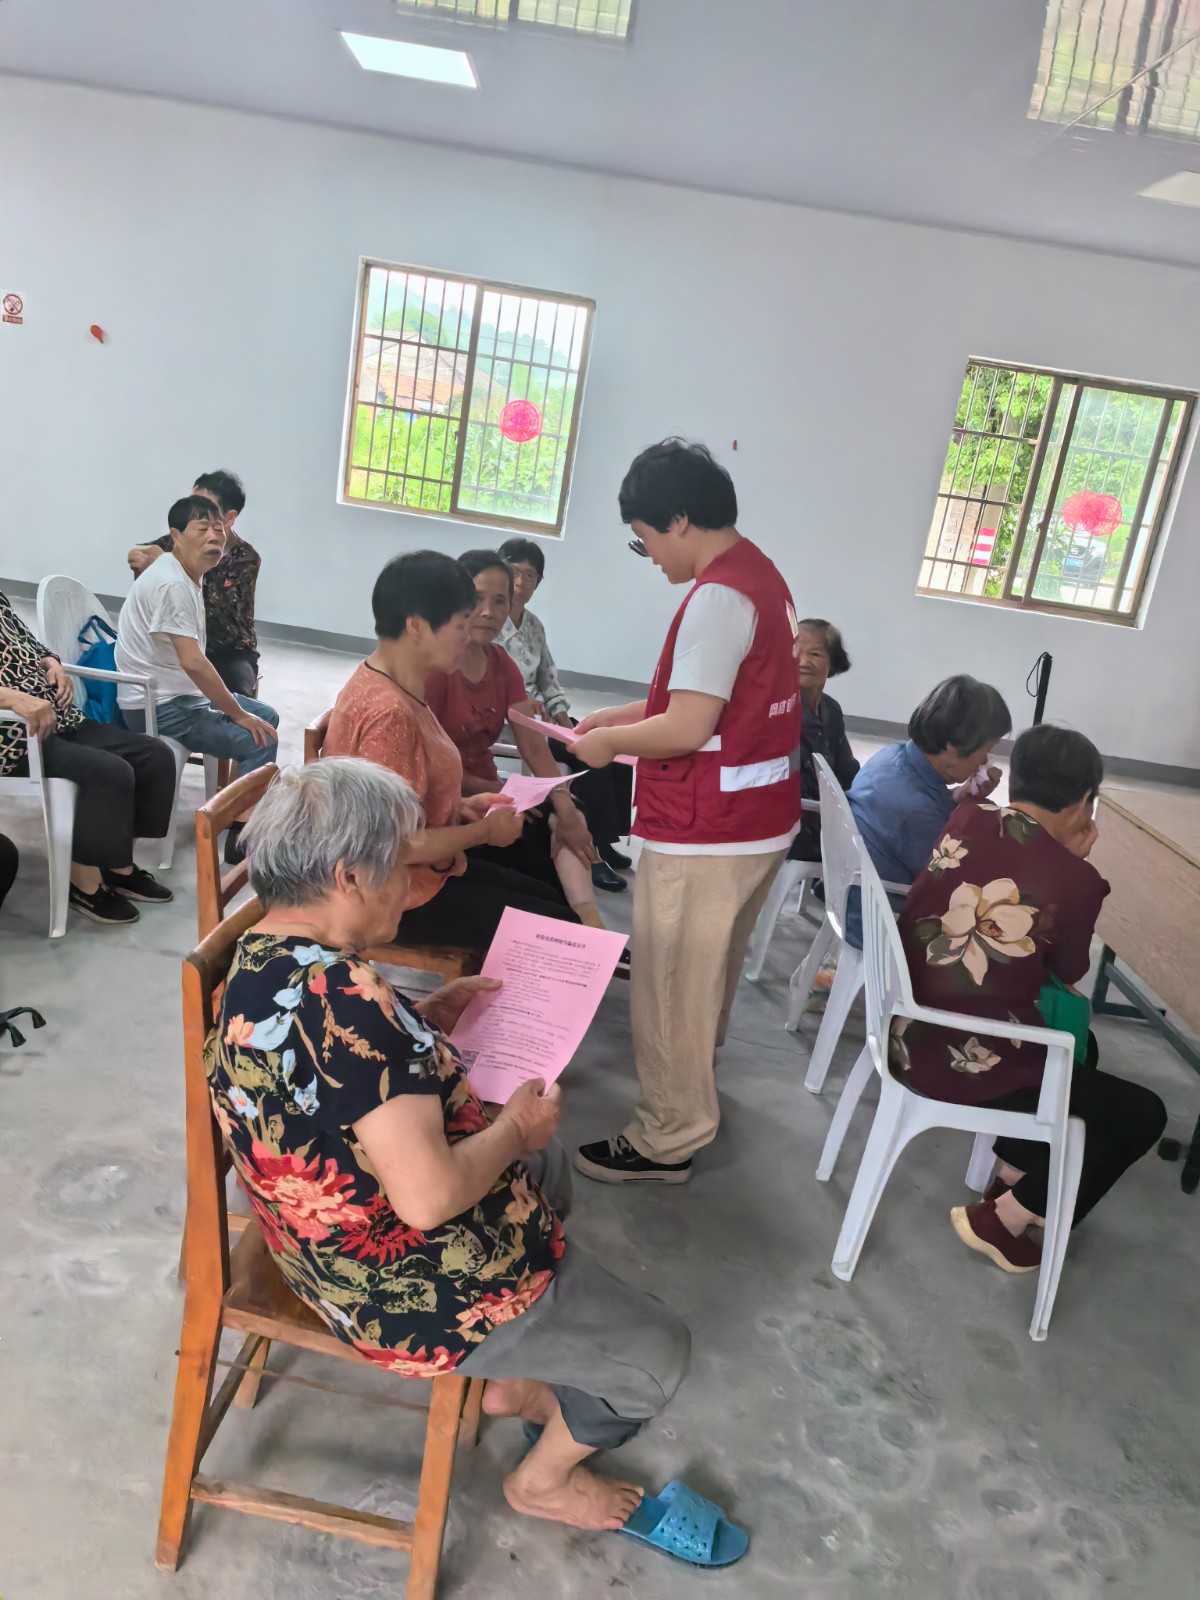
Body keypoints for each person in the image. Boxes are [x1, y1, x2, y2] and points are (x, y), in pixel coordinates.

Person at [209, 758, 693, 1535]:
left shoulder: (263, 957)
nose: (415, 883)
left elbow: (325, 1078)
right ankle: (541, 1482)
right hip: (395, 1293)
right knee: (658, 1352)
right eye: (402, 867)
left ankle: (521, 1372)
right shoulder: (350, 1003)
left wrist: (422, 1019)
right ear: (349, 876)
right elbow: (430, 1199)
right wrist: (512, 1129)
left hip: (312, 1250)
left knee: (547, 1166)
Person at [571, 440, 802, 1184]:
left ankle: (666, 1137)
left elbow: (688, 727)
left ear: (677, 520)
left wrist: (609, 745)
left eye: (644, 541)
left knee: (670, 984)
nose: (650, 557)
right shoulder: (760, 575)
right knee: (707, 974)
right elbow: (706, 701)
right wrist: (616, 716)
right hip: (755, 820)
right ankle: (692, 1088)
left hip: (708, 831)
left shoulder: (718, 598)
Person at [894, 724, 1167, 1273]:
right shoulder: (1076, 880)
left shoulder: (969, 816)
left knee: (1083, 1048)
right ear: (1084, 802)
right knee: (1143, 1113)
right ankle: (1006, 1218)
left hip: (906, 1022)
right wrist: (1075, 865)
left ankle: (1013, 1174)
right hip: (963, 1057)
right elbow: (1069, 972)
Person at [323, 551, 585, 949]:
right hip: (389, 895)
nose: (468, 635)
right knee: (557, 932)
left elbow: (403, 799)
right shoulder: (390, 713)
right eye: (460, 624)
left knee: (546, 891)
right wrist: (482, 831)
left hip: (423, 869)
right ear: (416, 626)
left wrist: (462, 805)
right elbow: (393, 846)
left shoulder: (403, 686)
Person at [426, 551, 605, 930]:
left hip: (491, 793)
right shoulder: (437, 668)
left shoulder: (501, 664)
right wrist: (498, 789)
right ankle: (570, 929)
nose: (488, 612)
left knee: (567, 813)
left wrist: (565, 808)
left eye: (500, 601)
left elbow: (533, 745)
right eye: (477, 599)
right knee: (541, 859)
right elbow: (429, 765)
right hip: (452, 800)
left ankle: (588, 921)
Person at [117, 495, 279, 862]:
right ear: (175, 536)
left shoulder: (184, 573)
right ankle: (241, 840)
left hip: (176, 696)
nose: (214, 536)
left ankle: (237, 810)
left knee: (267, 716)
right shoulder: (173, 584)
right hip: (158, 707)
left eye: (218, 528)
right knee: (259, 738)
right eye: (202, 528)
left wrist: (240, 711)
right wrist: (237, 713)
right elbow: (193, 663)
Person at [0, 590, 175, 924]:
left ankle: (117, 866)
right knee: (107, 772)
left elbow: (29, 645)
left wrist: (53, 664)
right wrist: (11, 698)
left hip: (60, 719)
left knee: (154, 755)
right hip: (16, 738)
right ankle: (84, 885)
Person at [498, 536, 632, 893]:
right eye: (514, 573)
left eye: (530, 575)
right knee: (589, 758)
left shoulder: (534, 626)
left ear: (538, 583)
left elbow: (549, 681)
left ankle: (605, 838)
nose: (520, 582)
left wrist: (568, 726)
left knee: (607, 746)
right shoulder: (488, 623)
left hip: (541, 720)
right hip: (510, 724)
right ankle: (591, 854)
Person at [842, 674, 1012, 948]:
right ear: (953, 747)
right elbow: (951, 884)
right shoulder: (918, 812)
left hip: (854, 895)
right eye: (986, 750)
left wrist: (959, 796)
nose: (984, 761)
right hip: (882, 923)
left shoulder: (891, 757)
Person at [128, 470, 262, 695]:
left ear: (229, 518)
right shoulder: (180, 540)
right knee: (140, 682)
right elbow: (140, 553)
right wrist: (140, 556)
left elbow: (216, 616)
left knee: (235, 695)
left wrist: (167, 564)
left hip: (228, 651)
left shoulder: (245, 558)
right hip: (179, 642)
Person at [788, 619, 859, 866]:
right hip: (795, 824)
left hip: (827, 819)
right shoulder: (780, 710)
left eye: (815, 654)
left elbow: (847, 773)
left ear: (833, 662)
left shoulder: (831, 709)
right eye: (796, 652)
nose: (803, 661)